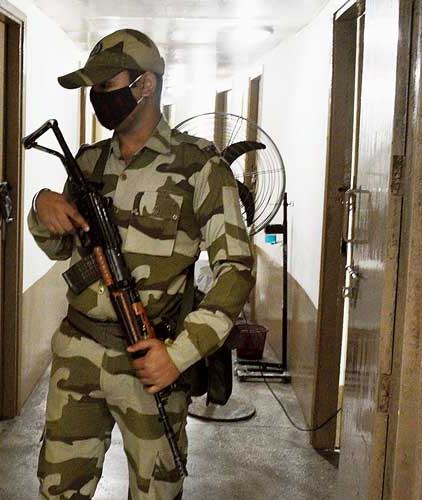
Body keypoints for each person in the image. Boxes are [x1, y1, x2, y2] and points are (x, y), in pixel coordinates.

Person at [29, 28, 255, 499]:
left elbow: (235, 269)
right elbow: (59, 249)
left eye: (106, 88)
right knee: (56, 490)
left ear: (145, 86)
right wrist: (40, 207)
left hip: (152, 356)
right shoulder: (88, 164)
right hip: (78, 352)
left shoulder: (199, 166)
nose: (97, 100)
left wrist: (179, 356)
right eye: (92, 91)